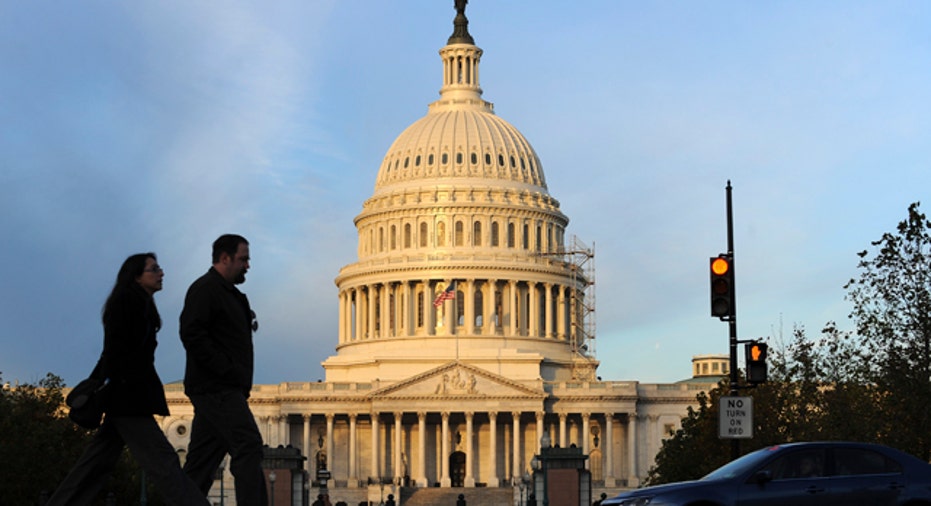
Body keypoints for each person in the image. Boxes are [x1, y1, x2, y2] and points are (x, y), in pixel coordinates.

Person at [48, 253, 209, 506]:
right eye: (154, 269)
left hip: (126, 396)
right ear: (136, 276)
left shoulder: (138, 304)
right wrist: (110, 386)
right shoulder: (126, 303)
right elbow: (115, 353)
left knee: (93, 467)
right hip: (129, 398)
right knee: (164, 462)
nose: (161, 273)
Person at [180, 234, 267, 506]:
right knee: (248, 446)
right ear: (225, 258)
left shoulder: (231, 295)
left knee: (200, 464)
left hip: (223, 388)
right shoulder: (205, 289)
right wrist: (226, 370)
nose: (248, 265)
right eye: (243, 259)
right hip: (217, 388)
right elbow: (191, 334)